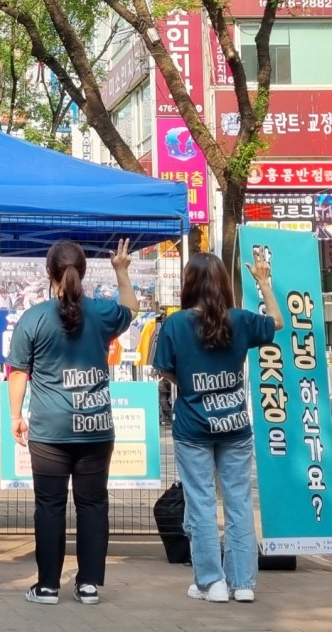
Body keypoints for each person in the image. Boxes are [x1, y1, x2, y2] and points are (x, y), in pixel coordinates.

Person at [8, 239, 137, 606]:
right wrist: (121, 271)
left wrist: (16, 416)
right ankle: (89, 585)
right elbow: (132, 307)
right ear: (82, 270)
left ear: (49, 273)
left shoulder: (33, 318)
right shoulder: (101, 312)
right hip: (96, 430)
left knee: (49, 506)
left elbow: (18, 373)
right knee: (92, 504)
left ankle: (48, 586)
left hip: (50, 432)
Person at [152, 250, 282, 604]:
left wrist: (188, 384)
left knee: (201, 504)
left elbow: (164, 368)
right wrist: (263, 282)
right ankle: (243, 583)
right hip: (235, 426)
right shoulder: (240, 320)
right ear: (223, 283)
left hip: (193, 426)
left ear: (188, 284)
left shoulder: (175, 324)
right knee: (239, 503)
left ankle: (212, 583)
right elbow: (277, 322)